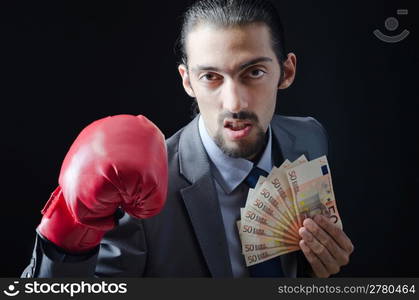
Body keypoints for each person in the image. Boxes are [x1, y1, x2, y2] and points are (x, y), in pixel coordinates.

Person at [22, 0, 353, 278]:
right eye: (210, 77)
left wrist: (315, 271)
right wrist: (66, 233)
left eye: (254, 72)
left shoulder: (309, 138)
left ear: (287, 72)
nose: (234, 103)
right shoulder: (140, 198)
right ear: (188, 82)